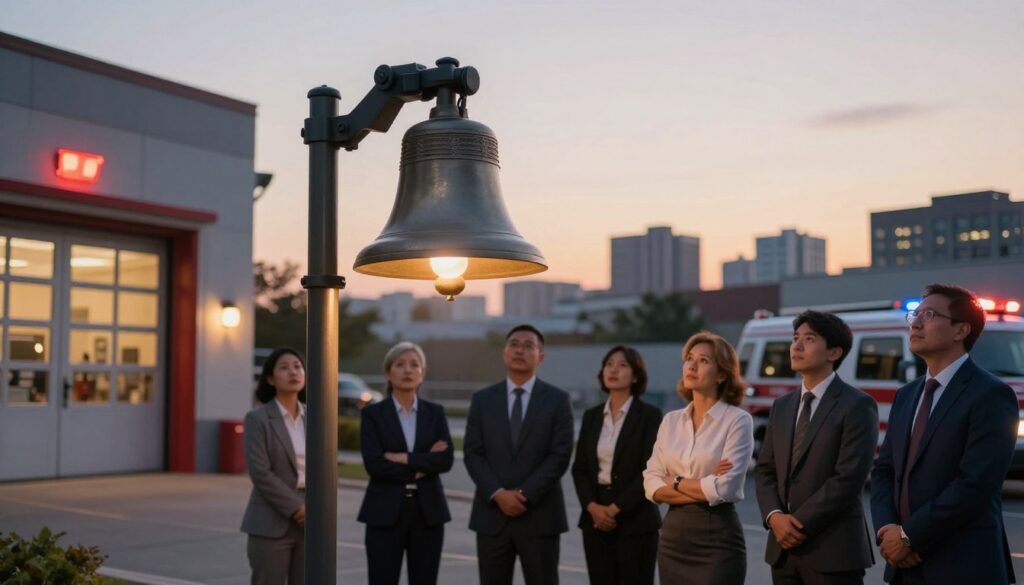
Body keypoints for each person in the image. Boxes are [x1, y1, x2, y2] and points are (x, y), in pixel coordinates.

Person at [871, 284, 1018, 584]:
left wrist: (909, 536)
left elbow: (975, 484)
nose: (915, 322)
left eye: (929, 314)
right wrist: (888, 529)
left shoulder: (991, 394)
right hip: (904, 565)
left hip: (963, 564)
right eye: (915, 314)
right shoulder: (907, 395)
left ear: (960, 330)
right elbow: (884, 470)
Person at [754, 310, 879, 584]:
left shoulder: (857, 405)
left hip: (832, 551)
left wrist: (795, 525)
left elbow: (848, 478)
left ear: (834, 353)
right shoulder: (782, 405)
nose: (796, 346)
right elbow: (765, 470)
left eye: (809, 339)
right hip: (783, 552)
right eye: (795, 338)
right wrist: (775, 517)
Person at [464, 324, 575, 585]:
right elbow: (473, 453)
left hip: (540, 516)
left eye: (528, 346)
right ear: (504, 353)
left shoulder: (558, 400)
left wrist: (524, 495)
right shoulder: (482, 400)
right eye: (514, 344)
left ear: (541, 357)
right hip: (492, 516)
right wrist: (498, 494)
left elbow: (560, 455)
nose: (519, 350)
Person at [642, 331, 753, 585]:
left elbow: (726, 487)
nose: (691, 365)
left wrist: (676, 481)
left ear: (723, 374)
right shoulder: (671, 421)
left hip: (718, 540)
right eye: (689, 358)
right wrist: (705, 483)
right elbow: (651, 485)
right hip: (673, 540)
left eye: (704, 361)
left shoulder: (737, 420)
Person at [358, 342, 453, 585]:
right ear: (388, 373)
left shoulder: (435, 413)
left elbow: (444, 460)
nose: (408, 370)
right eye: (400, 365)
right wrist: (423, 465)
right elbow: (375, 465)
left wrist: (405, 458)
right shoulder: (373, 415)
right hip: (384, 511)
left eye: (414, 365)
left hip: (428, 512)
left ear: (422, 373)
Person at [571, 345, 663, 585]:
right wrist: (593, 507)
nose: (613, 370)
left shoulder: (650, 416)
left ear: (635, 375)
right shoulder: (592, 416)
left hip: (635, 519)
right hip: (594, 520)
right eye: (609, 364)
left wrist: (613, 510)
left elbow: (650, 470)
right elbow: (580, 468)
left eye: (622, 365)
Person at [240, 347, 308, 585]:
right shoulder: (257, 419)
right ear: (270, 378)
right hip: (271, 521)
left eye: (298, 366)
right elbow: (260, 472)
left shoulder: (317, 418)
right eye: (284, 367)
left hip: (312, 520)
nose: (293, 372)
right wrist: (297, 509)